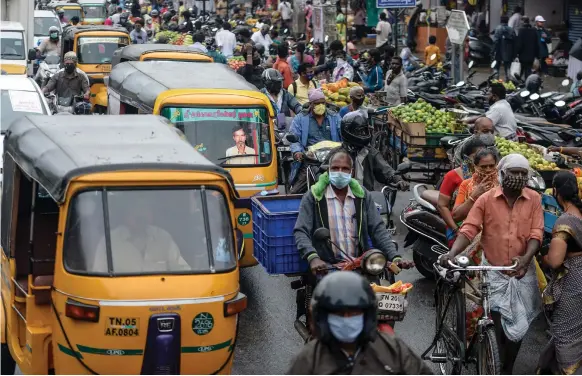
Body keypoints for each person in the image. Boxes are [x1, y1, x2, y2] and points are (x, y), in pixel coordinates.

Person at [440, 154, 543, 375]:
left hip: (523, 272)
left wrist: (525, 259)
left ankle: (506, 369)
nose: (517, 177)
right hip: (494, 272)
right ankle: (492, 359)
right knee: (496, 326)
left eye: (522, 173)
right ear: (502, 174)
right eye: (513, 172)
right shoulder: (485, 199)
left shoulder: (534, 198)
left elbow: (536, 232)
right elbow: (469, 229)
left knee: (518, 331)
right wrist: (452, 253)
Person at [288, 271, 431, 374]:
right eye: (338, 314)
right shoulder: (308, 361)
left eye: (354, 313)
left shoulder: (394, 350)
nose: (346, 320)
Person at [537, 171, 582, 375]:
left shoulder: (565, 222)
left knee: (565, 333)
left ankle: (566, 370)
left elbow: (555, 261)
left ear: (556, 192)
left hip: (573, 283)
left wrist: (541, 258)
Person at [92, 200, 189, 273]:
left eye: (145, 209)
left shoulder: (163, 237)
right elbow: (98, 278)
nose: (141, 215)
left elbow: (183, 270)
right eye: (135, 210)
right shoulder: (109, 241)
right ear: (125, 214)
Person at [438, 135, 492, 246]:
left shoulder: (492, 177)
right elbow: (442, 206)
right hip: (459, 226)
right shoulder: (453, 176)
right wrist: (455, 229)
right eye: (476, 157)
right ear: (467, 157)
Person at [336, 111, 409, 192]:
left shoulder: (370, 152)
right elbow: (322, 172)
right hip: (340, 197)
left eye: (365, 131)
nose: (364, 134)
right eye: (361, 131)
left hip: (365, 197)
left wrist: (397, 179)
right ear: (348, 132)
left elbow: (385, 168)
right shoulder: (336, 154)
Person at [288, 89, 342, 193]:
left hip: (333, 159)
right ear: (310, 104)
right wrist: (297, 151)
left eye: (323, 103)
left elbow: (343, 134)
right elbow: (294, 139)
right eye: (317, 103)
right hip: (310, 160)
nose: (320, 105)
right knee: (295, 191)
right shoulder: (300, 118)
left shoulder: (334, 117)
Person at [492, 15, 515, 80]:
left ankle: (496, 83)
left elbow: (495, 41)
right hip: (508, 52)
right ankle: (508, 83)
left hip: (498, 52)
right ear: (507, 21)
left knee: (496, 67)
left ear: (501, 21)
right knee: (507, 68)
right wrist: (514, 53)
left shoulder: (498, 29)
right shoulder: (511, 30)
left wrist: (492, 51)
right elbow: (514, 42)